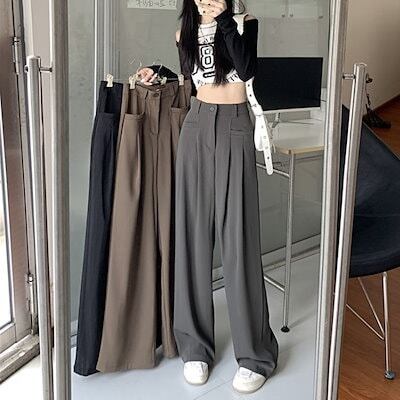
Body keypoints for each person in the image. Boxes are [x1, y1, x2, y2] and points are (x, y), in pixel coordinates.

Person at [138, 0, 279, 394]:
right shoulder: (183, 30)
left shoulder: (244, 22)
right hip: (197, 125)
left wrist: (224, 21)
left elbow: (246, 69)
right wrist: (159, 71)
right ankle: (194, 347)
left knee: (239, 240)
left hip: (235, 125)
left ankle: (255, 354)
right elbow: (195, 79)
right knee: (193, 238)